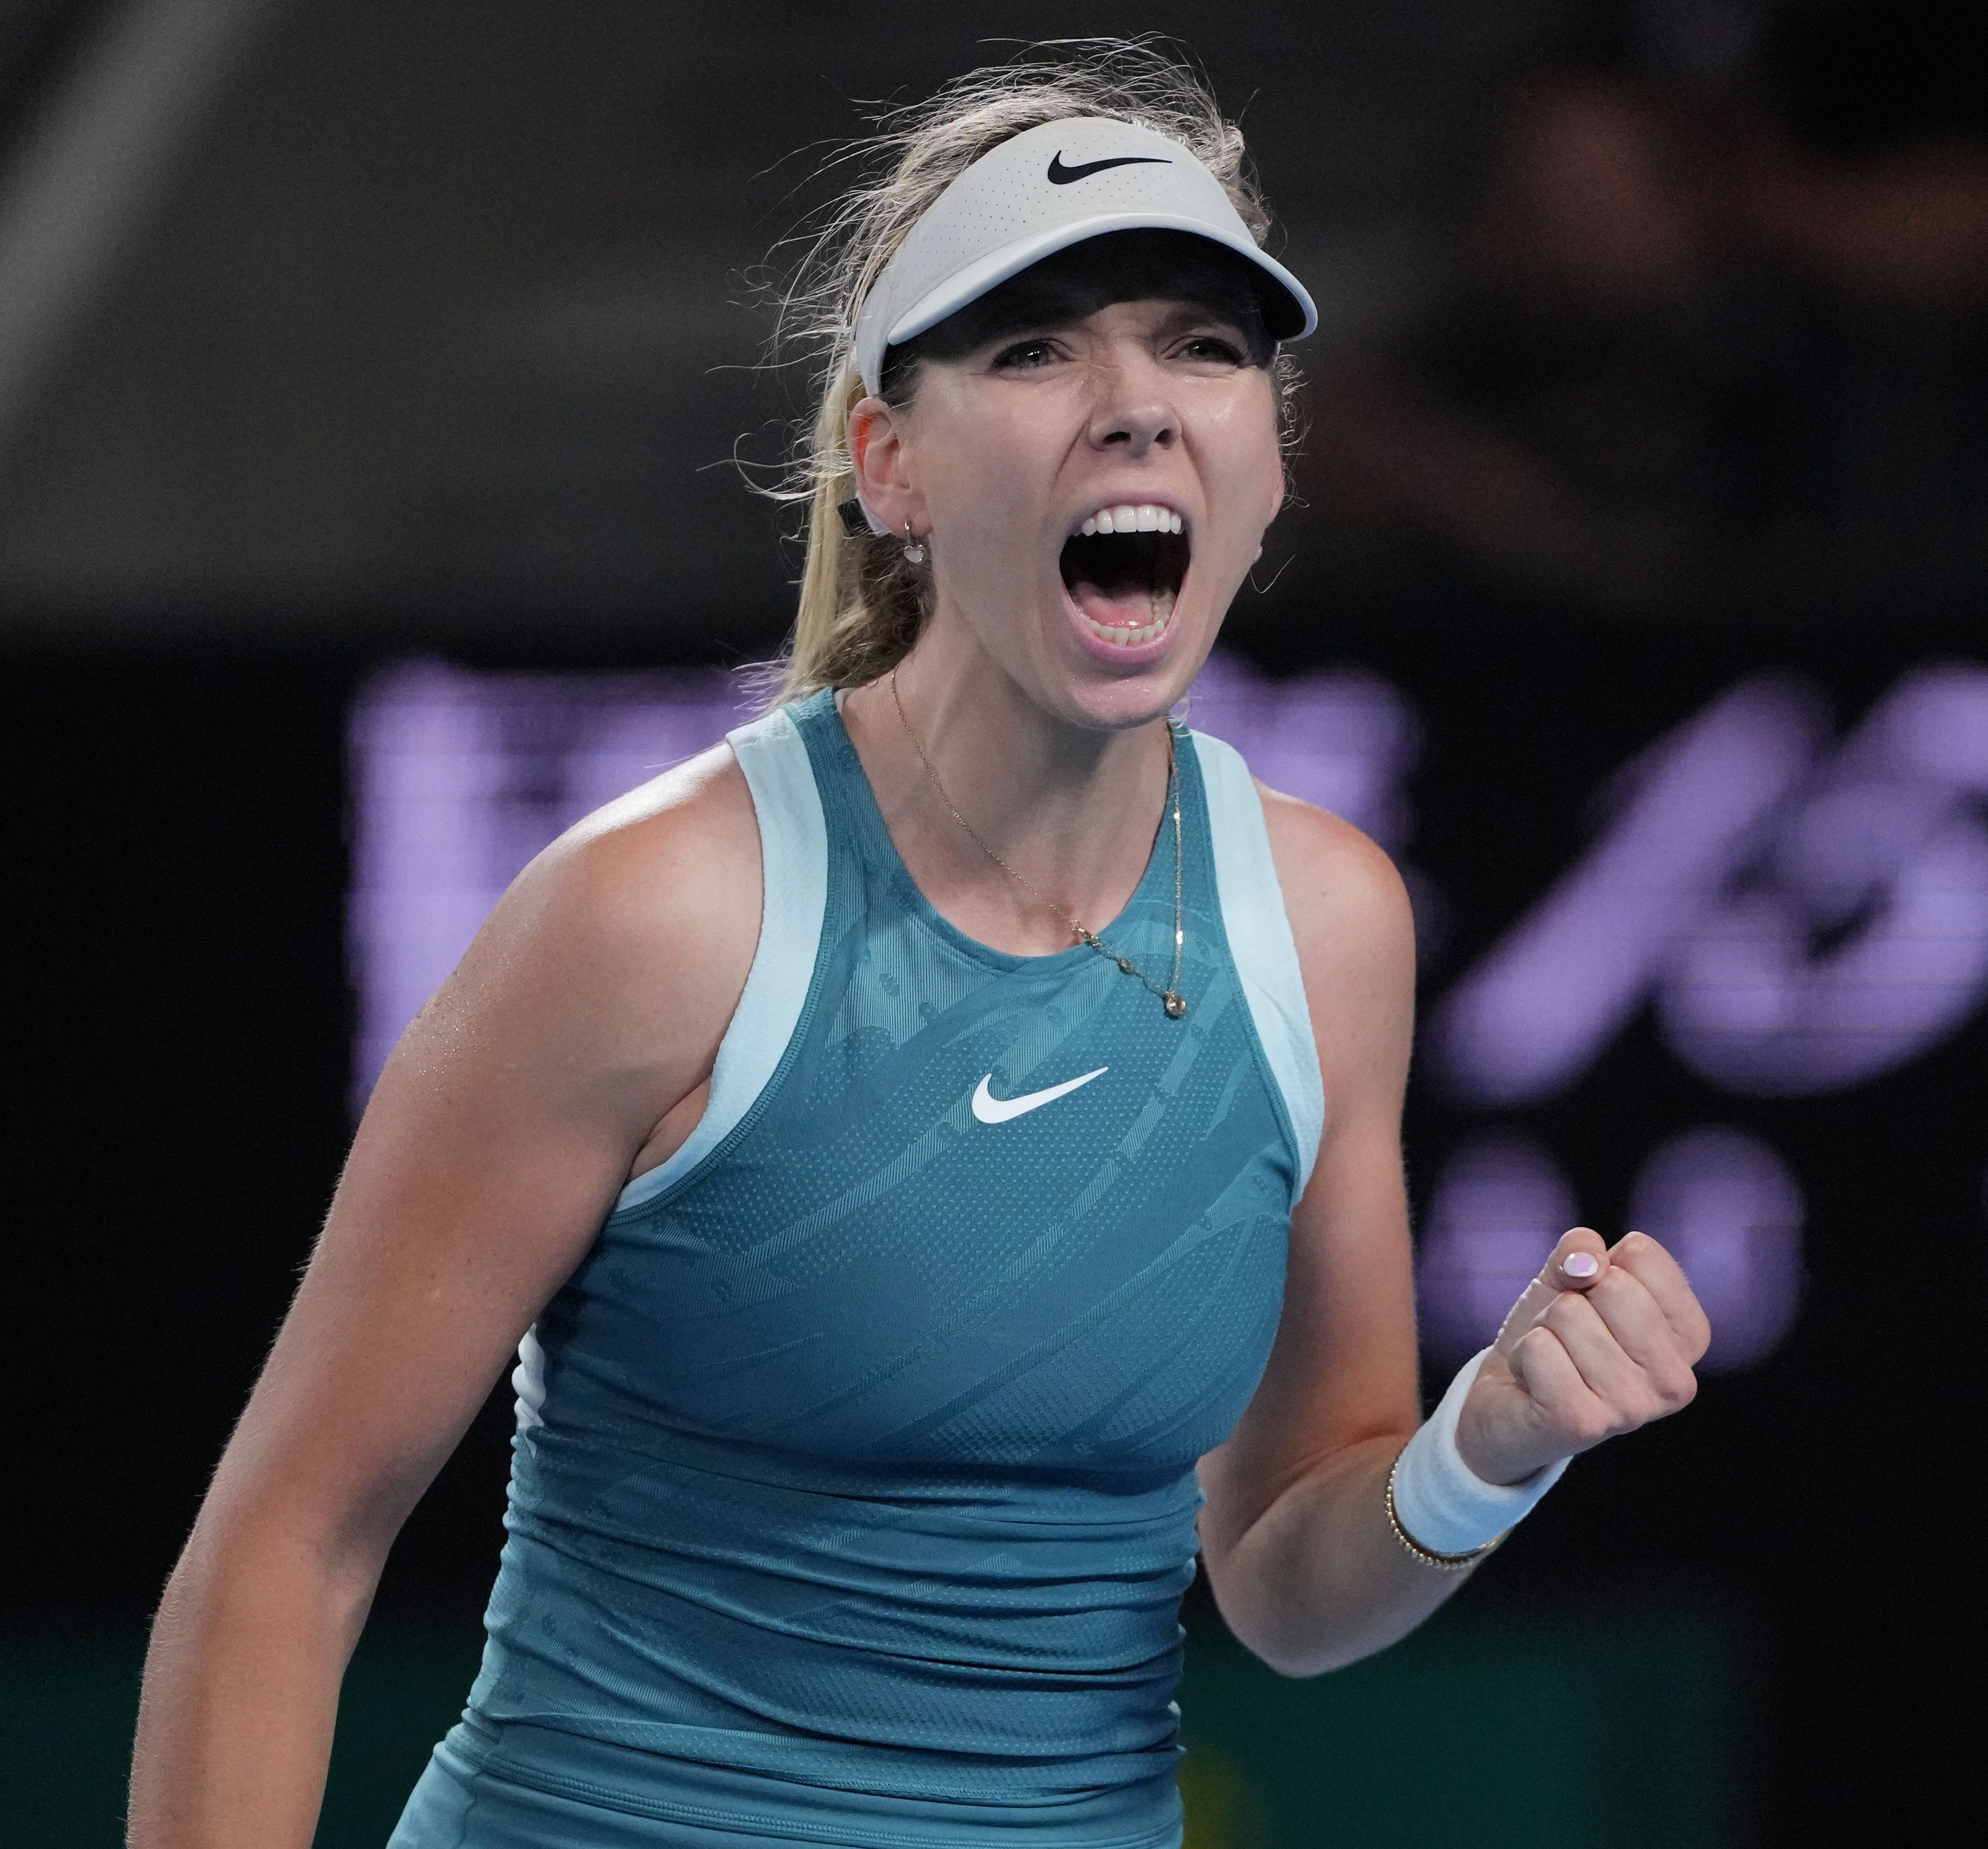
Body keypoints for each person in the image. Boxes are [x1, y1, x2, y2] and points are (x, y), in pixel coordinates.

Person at [125, 43, 1712, 1849]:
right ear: (890, 465)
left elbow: (1282, 1570)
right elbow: (284, 1546)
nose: (1135, 404)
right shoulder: (656, 914)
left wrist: (1483, 1447)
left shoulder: (1331, 921)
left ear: (1270, 467)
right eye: (1035, 347)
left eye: (1202, 344)